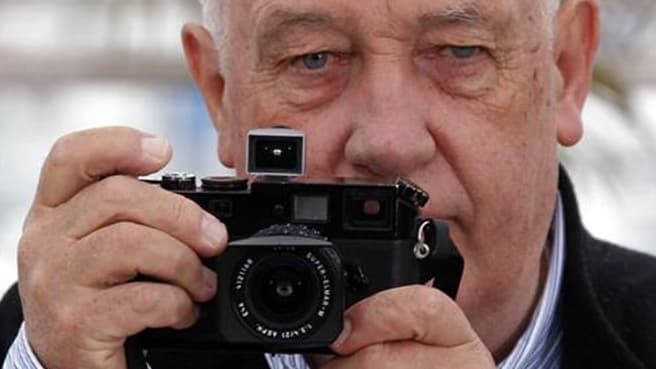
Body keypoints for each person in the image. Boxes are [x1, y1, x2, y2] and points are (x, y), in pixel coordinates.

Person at [2, 0, 655, 368]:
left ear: (566, 71)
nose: (390, 142)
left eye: (460, 52)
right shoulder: (80, 335)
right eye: (313, 58)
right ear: (221, 98)